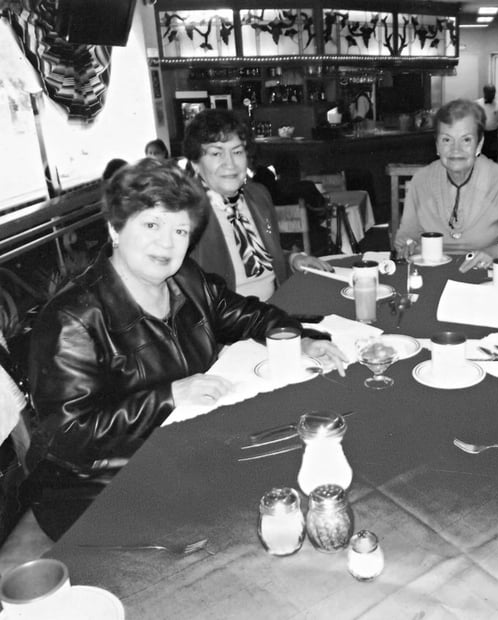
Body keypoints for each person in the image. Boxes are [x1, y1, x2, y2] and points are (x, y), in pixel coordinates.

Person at [24, 159, 347, 539]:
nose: (167, 243)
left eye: (180, 230)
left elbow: (248, 315)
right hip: (99, 482)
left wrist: (298, 338)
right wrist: (169, 396)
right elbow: (70, 431)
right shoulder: (72, 318)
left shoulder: (185, 279)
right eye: (151, 225)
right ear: (115, 228)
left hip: (182, 446)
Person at [184, 109, 332, 300]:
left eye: (237, 152)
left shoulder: (257, 196)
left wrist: (293, 259)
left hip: (276, 307)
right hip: (230, 323)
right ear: (196, 163)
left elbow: (265, 258)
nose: (230, 163)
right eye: (216, 154)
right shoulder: (187, 213)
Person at [394, 99, 498, 270]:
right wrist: (408, 245)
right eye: (447, 140)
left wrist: (496, 252)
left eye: (466, 140)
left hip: (484, 276)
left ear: (479, 144)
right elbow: (406, 237)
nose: (455, 150)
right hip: (431, 274)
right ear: (437, 145)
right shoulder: (421, 181)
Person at [476, 85, 498, 161]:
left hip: (493, 133)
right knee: (482, 155)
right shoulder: (478, 103)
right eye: (490, 92)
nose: (492, 94)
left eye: (493, 92)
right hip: (482, 133)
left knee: (494, 155)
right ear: (485, 92)